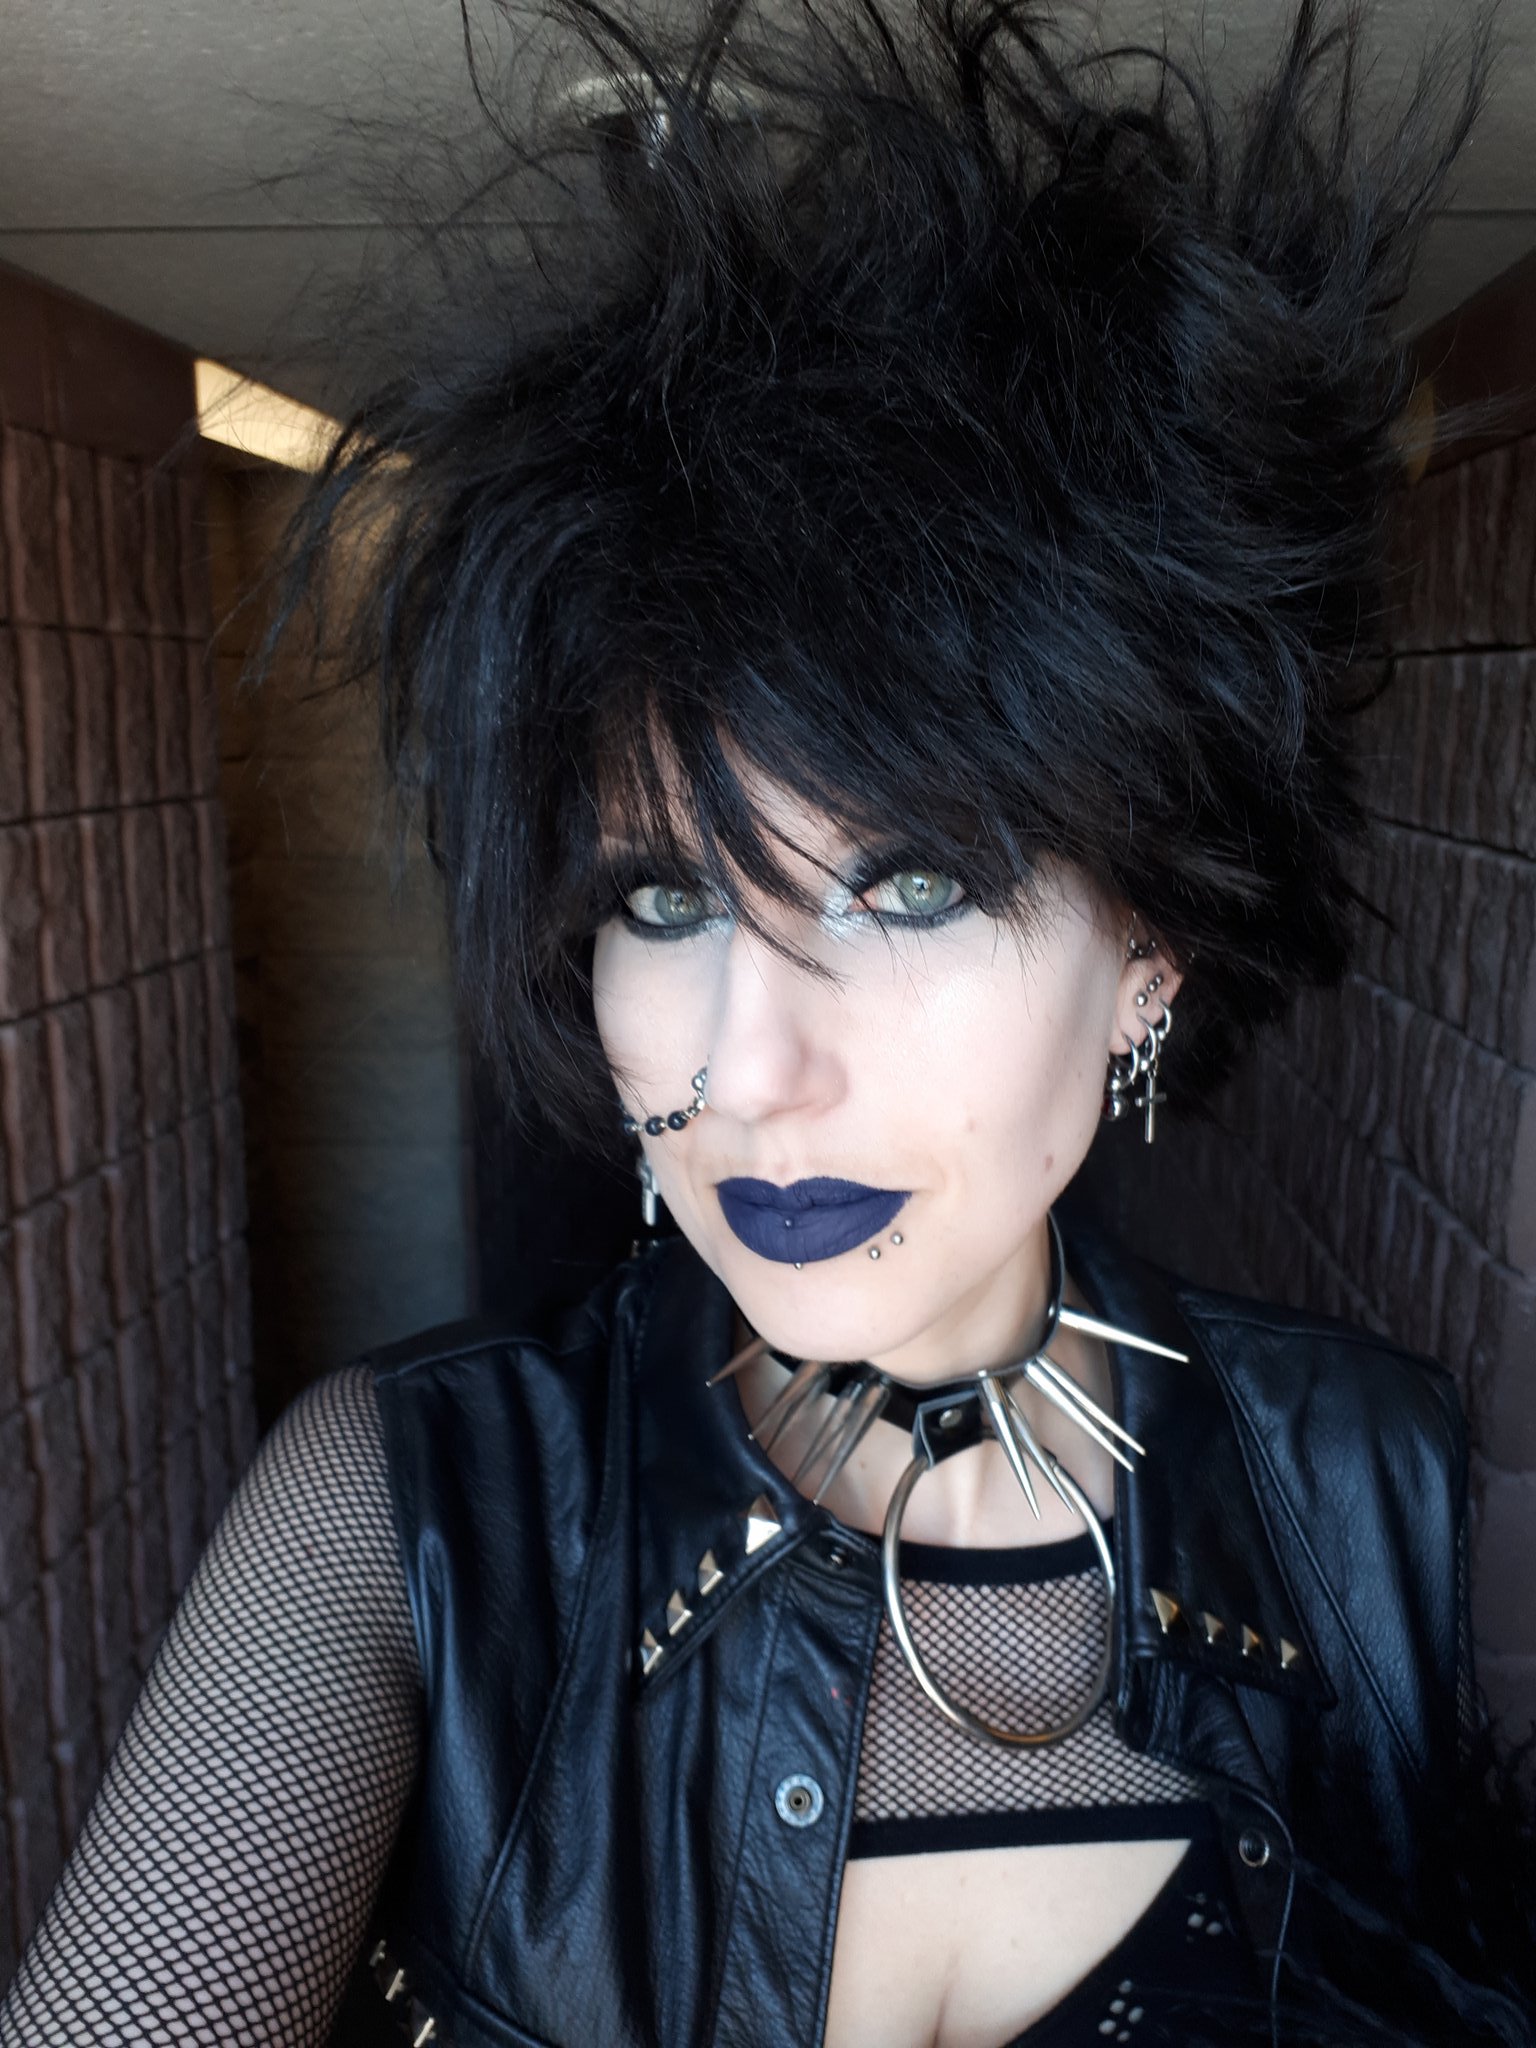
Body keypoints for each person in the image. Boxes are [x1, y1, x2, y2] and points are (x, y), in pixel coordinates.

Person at [3, 1, 1532, 2042]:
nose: (752, 1072)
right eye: (666, 898)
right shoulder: (418, 1508)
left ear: (1153, 950)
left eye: (912, 885)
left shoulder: (1377, 1482)